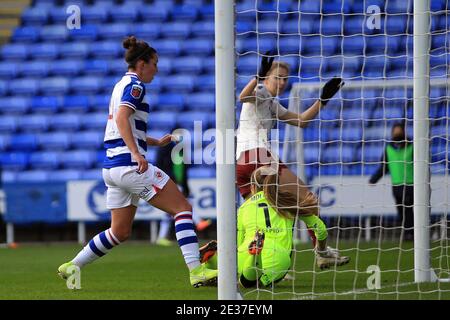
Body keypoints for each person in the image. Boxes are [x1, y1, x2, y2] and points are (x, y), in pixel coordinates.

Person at [57, 36, 217, 288]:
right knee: (183, 209)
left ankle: (73, 265)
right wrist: (137, 153)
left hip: (112, 168)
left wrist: (153, 143)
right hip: (129, 165)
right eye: (155, 63)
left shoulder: (120, 84)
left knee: (119, 232)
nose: (157, 69)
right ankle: (196, 271)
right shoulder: (136, 86)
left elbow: (122, 125)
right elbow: (122, 118)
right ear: (142, 63)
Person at [236, 51, 344, 250]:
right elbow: (242, 97)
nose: (282, 82)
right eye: (277, 77)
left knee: (263, 217)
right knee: (307, 200)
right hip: (260, 157)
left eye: (285, 79)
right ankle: (321, 250)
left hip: (241, 165)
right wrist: (257, 76)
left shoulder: (272, 103)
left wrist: (323, 99)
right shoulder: (260, 92)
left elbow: (301, 121)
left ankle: (259, 265)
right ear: (266, 78)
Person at [200, 166, 350, 288]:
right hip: (278, 257)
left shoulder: (244, 208)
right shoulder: (286, 202)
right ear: (277, 184)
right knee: (256, 283)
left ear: (252, 187)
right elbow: (321, 229)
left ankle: (217, 260)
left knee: (242, 275)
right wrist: (321, 250)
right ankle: (253, 258)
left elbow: (238, 244)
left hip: (244, 253)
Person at [154, 139, 212, 246]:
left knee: (170, 211)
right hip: (169, 182)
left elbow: (183, 172)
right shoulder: (166, 150)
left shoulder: (181, 152)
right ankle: (198, 221)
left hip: (178, 184)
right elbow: (160, 166)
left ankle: (161, 237)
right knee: (183, 205)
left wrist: (185, 187)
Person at [369, 122, 414, 240]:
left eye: (399, 131)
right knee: (401, 211)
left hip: (410, 184)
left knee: (408, 209)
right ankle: (407, 232)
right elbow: (384, 166)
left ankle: (411, 233)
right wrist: (374, 179)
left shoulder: (412, 146)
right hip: (396, 185)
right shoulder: (389, 148)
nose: (397, 134)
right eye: (395, 131)